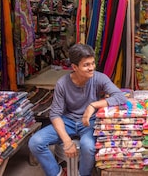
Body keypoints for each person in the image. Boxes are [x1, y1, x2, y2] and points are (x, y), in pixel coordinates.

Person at [28, 44, 127, 176]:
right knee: (35, 142)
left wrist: (93, 105)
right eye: (86, 65)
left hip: (89, 122)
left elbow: (120, 97)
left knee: (88, 146)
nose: (91, 68)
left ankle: (83, 174)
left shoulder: (99, 78)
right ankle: (57, 173)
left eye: (92, 63)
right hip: (67, 121)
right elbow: (55, 114)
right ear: (74, 67)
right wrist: (67, 141)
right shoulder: (62, 83)